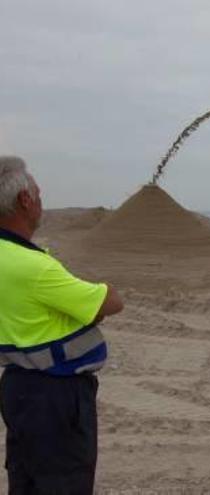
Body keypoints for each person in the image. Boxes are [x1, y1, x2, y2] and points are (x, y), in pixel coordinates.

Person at [0, 156, 124, 494]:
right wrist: (89, 310)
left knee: (26, 482)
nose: (41, 201)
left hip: (17, 388)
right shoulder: (34, 267)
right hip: (56, 394)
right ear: (24, 200)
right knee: (65, 481)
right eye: (38, 194)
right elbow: (111, 301)